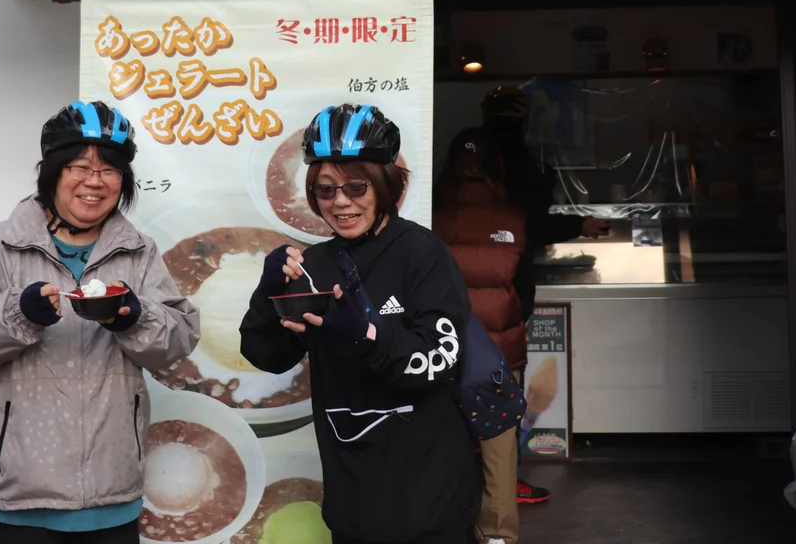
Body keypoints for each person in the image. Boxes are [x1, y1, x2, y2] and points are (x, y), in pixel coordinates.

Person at [0, 100, 200, 543]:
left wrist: (136, 319)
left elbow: (179, 339)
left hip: (112, 493)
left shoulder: (139, 252)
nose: (94, 182)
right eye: (80, 167)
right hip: (20, 495)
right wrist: (18, 313)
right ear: (52, 172)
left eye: (110, 170)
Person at [240, 103, 478, 544]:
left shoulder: (421, 253)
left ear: (385, 184)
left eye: (356, 186)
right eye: (326, 190)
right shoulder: (315, 262)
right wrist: (268, 292)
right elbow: (267, 356)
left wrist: (364, 333)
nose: (341, 203)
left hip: (430, 490)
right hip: (351, 490)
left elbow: (438, 362)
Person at [432, 127, 527, 544]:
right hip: (499, 351)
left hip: (445, 349)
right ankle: (497, 535)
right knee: (499, 452)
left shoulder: (429, 218)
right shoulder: (516, 217)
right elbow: (527, 284)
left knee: (439, 446)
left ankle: (442, 529)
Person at [480, 86, 564, 505]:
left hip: (460, 300)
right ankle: (505, 483)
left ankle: (469, 480)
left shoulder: (452, 176)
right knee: (504, 392)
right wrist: (578, 226)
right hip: (507, 295)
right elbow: (536, 226)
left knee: (464, 391)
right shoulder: (521, 166)